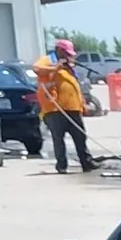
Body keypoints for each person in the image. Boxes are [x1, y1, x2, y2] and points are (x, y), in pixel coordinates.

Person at [33, 39, 95, 172]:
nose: (68, 56)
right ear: (59, 50)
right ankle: (61, 166)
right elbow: (36, 69)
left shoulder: (69, 67)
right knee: (58, 138)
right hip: (55, 108)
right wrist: (56, 67)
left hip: (73, 108)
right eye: (66, 53)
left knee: (80, 137)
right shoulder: (48, 60)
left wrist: (82, 103)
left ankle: (87, 163)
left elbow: (74, 85)